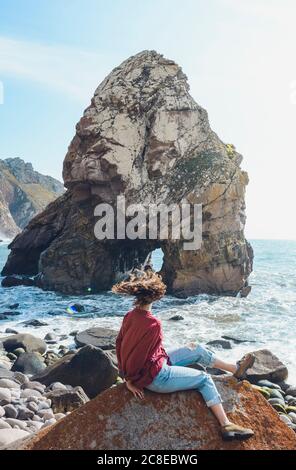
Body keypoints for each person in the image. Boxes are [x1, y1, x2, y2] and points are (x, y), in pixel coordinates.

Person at [113, 271, 255, 441]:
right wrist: (129, 381)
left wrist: (124, 374)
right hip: (156, 378)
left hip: (157, 362)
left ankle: (235, 369)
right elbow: (138, 357)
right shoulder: (153, 324)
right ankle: (226, 425)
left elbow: (119, 344)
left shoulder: (130, 316)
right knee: (204, 379)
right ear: (156, 296)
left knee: (196, 348)